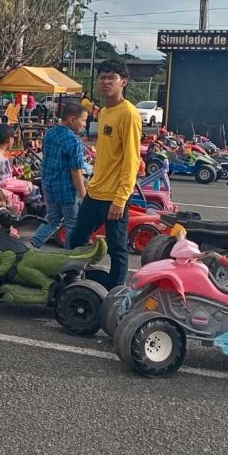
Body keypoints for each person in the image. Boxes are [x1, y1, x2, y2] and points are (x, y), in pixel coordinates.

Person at [68, 60, 142, 290]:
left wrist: (121, 199)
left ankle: (115, 294)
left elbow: (132, 160)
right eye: (102, 78)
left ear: (124, 82)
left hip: (115, 196)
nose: (106, 82)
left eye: (112, 78)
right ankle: (75, 283)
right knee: (77, 238)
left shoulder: (128, 114)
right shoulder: (106, 112)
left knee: (117, 248)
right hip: (96, 191)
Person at [30, 103, 88, 248]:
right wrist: (83, 195)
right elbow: (76, 171)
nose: (85, 125)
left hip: (48, 185)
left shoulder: (50, 133)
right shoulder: (73, 141)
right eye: (83, 120)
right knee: (72, 224)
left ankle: (33, 244)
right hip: (66, 190)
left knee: (52, 220)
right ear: (71, 119)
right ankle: (69, 257)